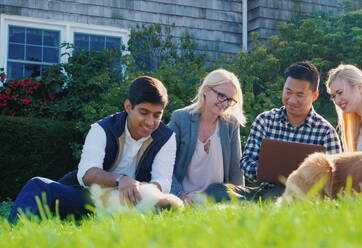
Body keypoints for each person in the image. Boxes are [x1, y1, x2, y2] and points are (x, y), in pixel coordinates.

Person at [8, 76, 176, 223]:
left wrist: (144, 190)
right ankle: (17, 236)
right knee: (38, 185)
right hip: (90, 200)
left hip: (133, 205)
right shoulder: (101, 129)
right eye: (144, 112)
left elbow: (163, 180)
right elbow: (86, 174)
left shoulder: (167, 137)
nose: (150, 122)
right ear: (128, 106)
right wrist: (121, 180)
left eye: (157, 115)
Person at [205, 61, 342, 201]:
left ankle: (258, 206)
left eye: (300, 95)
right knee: (216, 190)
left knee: (276, 197)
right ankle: (258, 205)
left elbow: (336, 179)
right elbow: (246, 162)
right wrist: (264, 170)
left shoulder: (325, 132)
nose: (292, 100)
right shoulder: (265, 120)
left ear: (314, 96)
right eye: (288, 92)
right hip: (264, 190)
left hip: (303, 196)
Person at [167, 69, 246, 203]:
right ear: (205, 90)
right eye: (221, 96)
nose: (225, 103)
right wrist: (180, 195)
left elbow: (235, 170)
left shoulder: (231, 124)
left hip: (218, 199)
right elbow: (165, 165)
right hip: (184, 198)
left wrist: (239, 199)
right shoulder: (180, 118)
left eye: (230, 99)